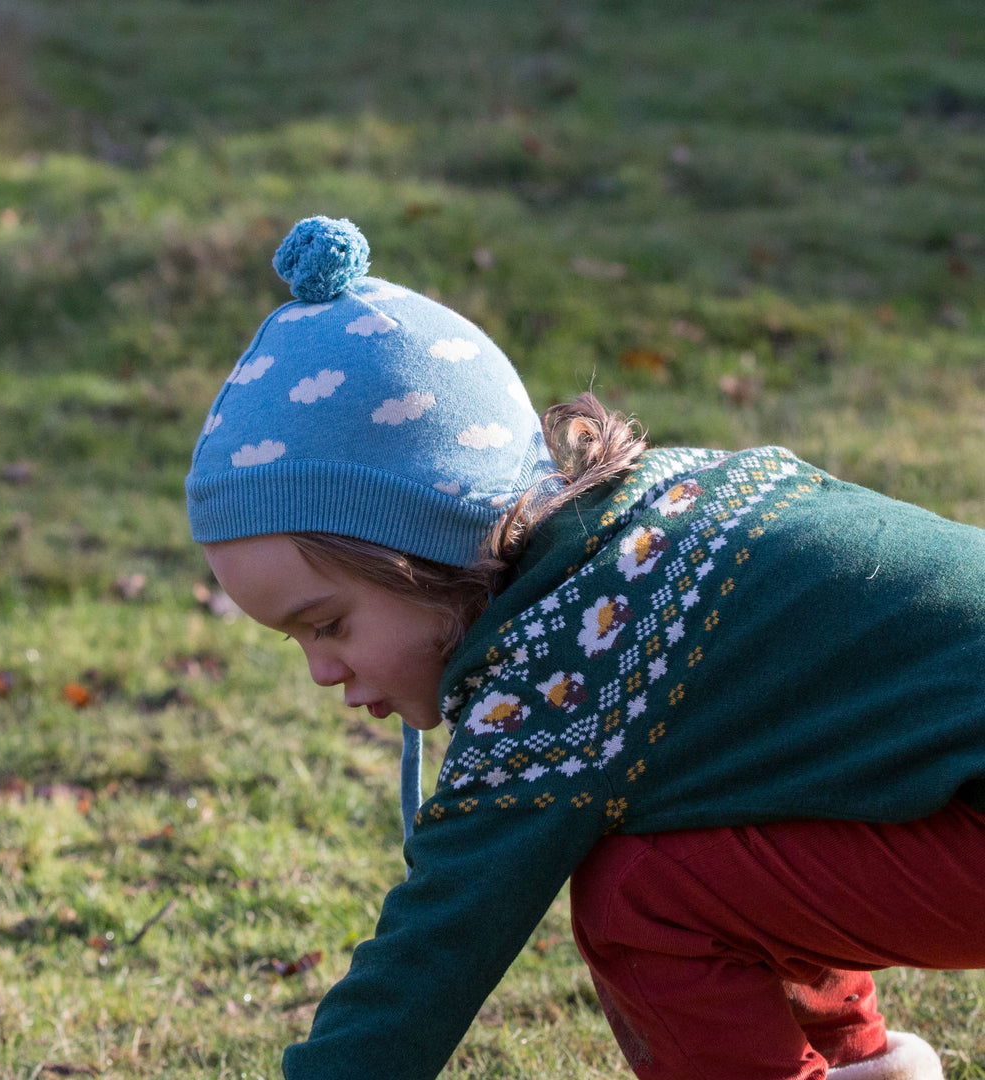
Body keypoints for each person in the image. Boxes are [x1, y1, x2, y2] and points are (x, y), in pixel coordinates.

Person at [186, 216, 985, 1080]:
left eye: (328, 623)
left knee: (643, 895)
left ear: (426, 549)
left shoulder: (563, 665)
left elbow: (433, 953)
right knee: (698, 830)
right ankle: (858, 1061)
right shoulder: (665, 507)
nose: (320, 670)